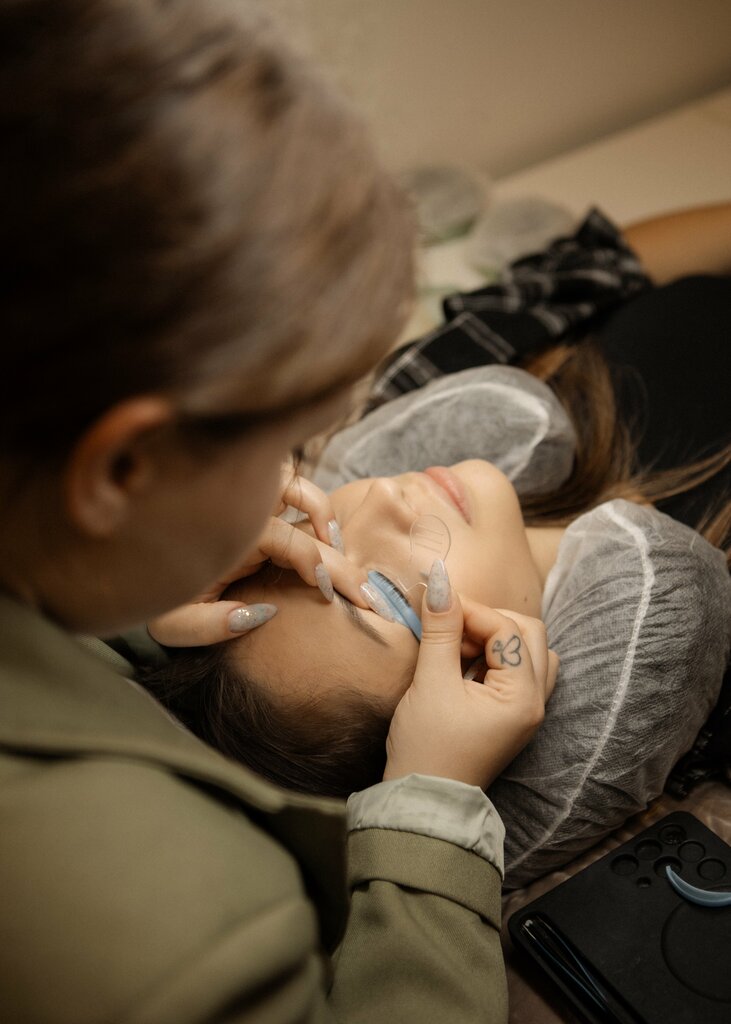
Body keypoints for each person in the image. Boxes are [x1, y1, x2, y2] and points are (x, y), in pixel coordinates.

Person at [0, 3, 557, 1021]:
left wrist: (109, 597)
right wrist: (429, 811)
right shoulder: (171, 939)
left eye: (314, 544)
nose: (365, 491)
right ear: (121, 467)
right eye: (286, 447)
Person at [144, 204, 731, 888]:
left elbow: (613, 260)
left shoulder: (429, 386)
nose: (378, 499)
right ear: (479, 684)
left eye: (309, 539)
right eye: (386, 594)